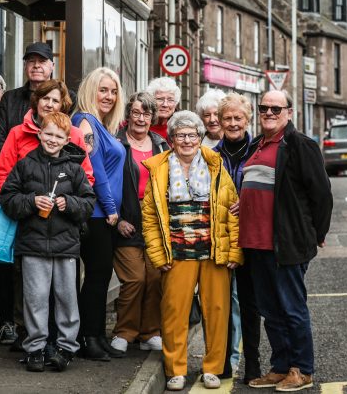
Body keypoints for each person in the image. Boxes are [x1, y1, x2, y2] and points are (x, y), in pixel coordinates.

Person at [0, 79, 94, 350]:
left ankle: (62, 344)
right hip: (28, 225)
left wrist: (67, 202)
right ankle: (33, 341)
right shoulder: (18, 136)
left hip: (63, 230)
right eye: (45, 99)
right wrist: (25, 204)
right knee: (31, 289)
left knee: (64, 292)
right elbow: (3, 175)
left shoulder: (74, 137)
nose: (49, 104)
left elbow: (86, 181)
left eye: (55, 100)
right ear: (37, 102)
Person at [141, 111, 242, 392]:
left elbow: (231, 210)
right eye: (180, 135)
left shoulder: (216, 166)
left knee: (217, 310)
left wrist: (234, 252)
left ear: (200, 138)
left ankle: (212, 368)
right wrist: (158, 256)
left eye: (192, 135)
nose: (187, 140)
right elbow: (149, 216)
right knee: (174, 311)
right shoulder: (158, 169)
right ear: (171, 139)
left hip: (213, 252)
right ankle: (176, 370)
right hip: (177, 253)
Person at [240, 90, 332, 391]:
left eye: (276, 108)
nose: (269, 112)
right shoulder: (256, 145)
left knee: (292, 308)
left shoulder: (300, 145)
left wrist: (317, 234)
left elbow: (321, 195)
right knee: (270, 311)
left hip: (286, 243)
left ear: (288, 112)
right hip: (255, 244)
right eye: (264, 107)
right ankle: (280, 367)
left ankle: (302, 369)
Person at [71, 67, 126, 361]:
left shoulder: (104, 126)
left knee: (100, 277)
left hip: (104, 214)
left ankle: (96, 335)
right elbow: (95, 170)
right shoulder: (85, 121)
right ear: (90, 91)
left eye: (113, 91)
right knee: (95, 277)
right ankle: (87, 338)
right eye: (103, 90)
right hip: (96, 214)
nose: (108, 96)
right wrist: (111, 208)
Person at [110, 92, 169, 356]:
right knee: (134, 278)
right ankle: (124, 332)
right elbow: (107, 183)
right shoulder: (117, 143)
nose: (141, 118)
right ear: (128, 115)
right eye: (136, 112)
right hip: (127, 221)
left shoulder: (161, 145)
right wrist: (118, 219)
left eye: (146, 113)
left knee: (155, 278)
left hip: (155, 223)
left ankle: (150, 333)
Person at [212, 93, 262, 383]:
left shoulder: (259, 151)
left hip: (252, 238)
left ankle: (252, 364)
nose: (233, 123)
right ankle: (223, 362)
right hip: (220, 239)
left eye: (238, 118)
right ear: (219, 122)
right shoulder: (210, 156)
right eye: (227, 118)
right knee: (220, 304)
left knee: (249, 303)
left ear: (247, 120)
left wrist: (248, 199)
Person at [0, 41, 57, 158]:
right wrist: (18, 169)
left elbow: (69, 138)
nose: (36, 65)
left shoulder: (64, 98)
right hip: (14, 170)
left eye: (42, 61)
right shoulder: (9, 98)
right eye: (31, 61)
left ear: (52, 66)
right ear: (25, 66)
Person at [146, 77, 181, 143]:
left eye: (170, 100)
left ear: (175, 104)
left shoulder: (180, 129)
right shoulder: (139, 125)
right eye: (160, 99)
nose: (165, 104)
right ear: (150, 101)